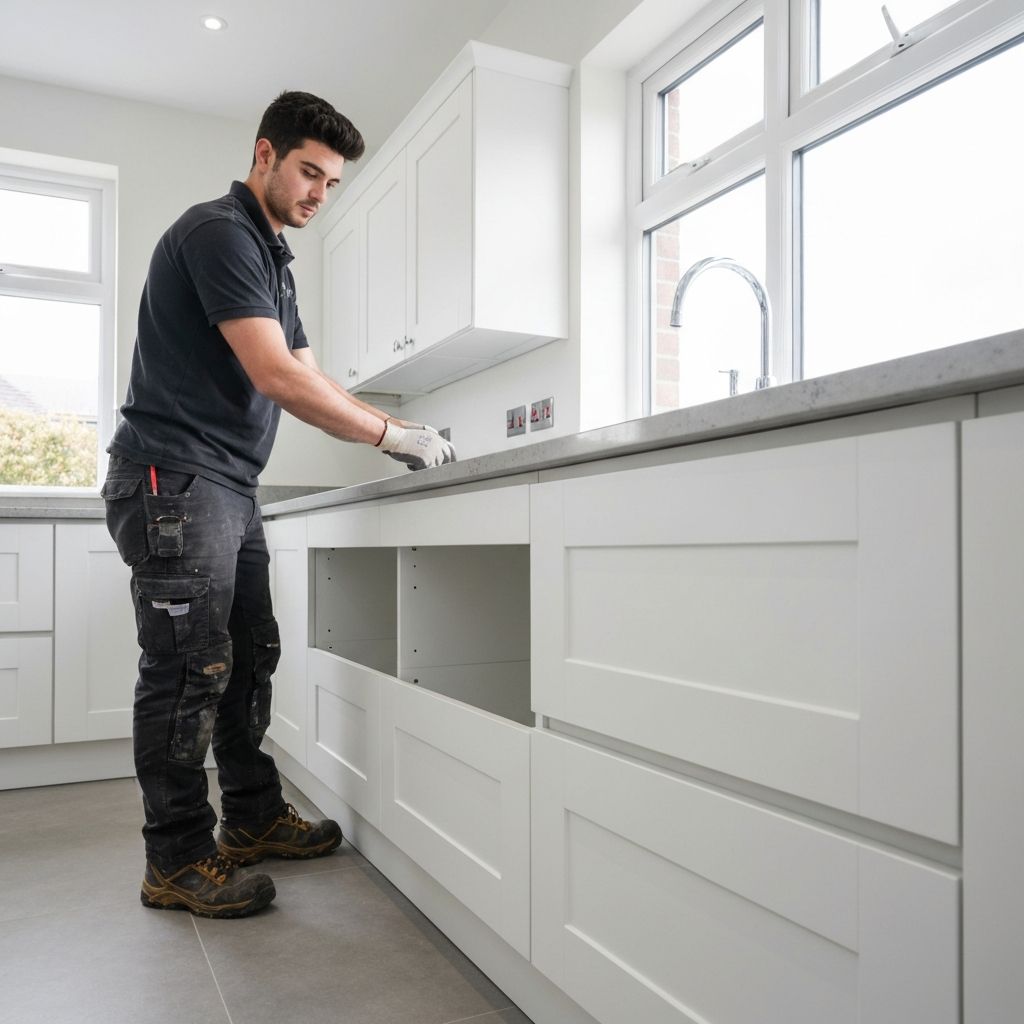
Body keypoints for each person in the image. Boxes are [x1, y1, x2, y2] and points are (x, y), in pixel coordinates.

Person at [101, 90, 455, 919]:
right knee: (189, 672)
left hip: (225, 485)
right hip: (173, 479)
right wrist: (390, 436)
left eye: (331, 183)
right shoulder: (218, 233)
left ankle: (252, 818)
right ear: (264, 154)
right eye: (308, 173)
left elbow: (309, 371)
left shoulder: (271, 258)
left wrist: (397, 429)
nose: (319, 195)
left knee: (248, 656)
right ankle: (175, 859)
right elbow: (275, 375)